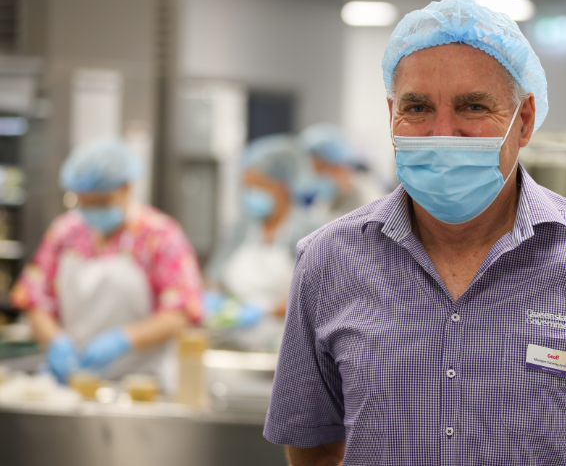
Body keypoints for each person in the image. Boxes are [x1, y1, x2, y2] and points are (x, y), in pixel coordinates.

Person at [264, 0, 566, 466]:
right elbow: (314, 450)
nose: (442, 133)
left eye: (473, 106)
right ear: (392, 114)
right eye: (417, 108)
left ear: (524, 120)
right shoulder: (328, 261)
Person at [11, 140, 202, 385]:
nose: (92, 210)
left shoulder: (160, 235)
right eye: (84, 202)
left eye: (102, 202)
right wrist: (55, 340)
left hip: (143, 383)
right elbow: (34, 300)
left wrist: (123, 340)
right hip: (74, 379)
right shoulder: (65, 232)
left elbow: (183, 311)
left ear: (126, 187)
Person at [205, 135, 323, 352]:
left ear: (283, 186)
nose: (251, 194)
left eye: (258, 186)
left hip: (283, 346)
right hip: (229, 342)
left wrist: (264, 310)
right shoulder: (241, 227)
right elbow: (215, 276)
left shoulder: (310, 233)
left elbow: (317, 298)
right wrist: (216, 302)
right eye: (247, 187)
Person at [299, 123, 386, 219]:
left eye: (321, 169)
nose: (318, 176)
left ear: (338, 166)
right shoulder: (328, 198)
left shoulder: (367, 197)